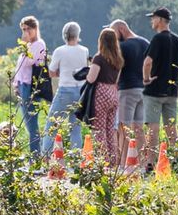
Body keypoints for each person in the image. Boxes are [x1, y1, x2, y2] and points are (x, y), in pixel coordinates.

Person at [138, 7, 178, 166]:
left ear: (159, 20)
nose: (152, 21)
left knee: (153, 128)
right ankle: (176, 161)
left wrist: (146, 79)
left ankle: (150, 164)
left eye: (153, 18)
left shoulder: (158, 39)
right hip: (171, 92)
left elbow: (147, 62)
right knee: (171, 129)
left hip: (154, 91)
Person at [83, 27, 125, 162]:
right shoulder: (118, 60)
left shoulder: (99, 58)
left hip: (101, 94)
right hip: (113, 93)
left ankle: (103, 161)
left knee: (99, 130)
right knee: (110, 130)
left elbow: (91, 78)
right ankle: (113, 161)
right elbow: (117, 80)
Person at [47, 21, 90, 153]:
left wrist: (62, 71)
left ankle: (46, 157)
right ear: (78, 34)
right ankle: (75, 159)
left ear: (64, 35)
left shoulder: (60, 51)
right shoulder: (85, 50)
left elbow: (51, 72)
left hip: (65, 90)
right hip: (80, 91)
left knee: (51, 126)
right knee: (75, 128)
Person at [113, 19, 151, 169]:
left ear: (121, 29)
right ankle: (143, 163)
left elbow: (118, 69)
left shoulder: (122, 46)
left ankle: (124, 165)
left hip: (127, 90)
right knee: (139, 128)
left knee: (124, 128)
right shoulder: (145, 43)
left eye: (115, 33)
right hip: (143, 90)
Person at [12, 16, 48, 160]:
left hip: (30, 86)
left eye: (28, 29)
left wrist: (25, 43)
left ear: (35, 29)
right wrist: (15, 84)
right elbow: (19, 67)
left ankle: (36, 157)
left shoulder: (39, 44)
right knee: (27, 122)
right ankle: (34, 156)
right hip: (22, 85)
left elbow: (29, 62)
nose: (26, 32)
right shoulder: (27, 45)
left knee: (31, 123)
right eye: (23, 29)